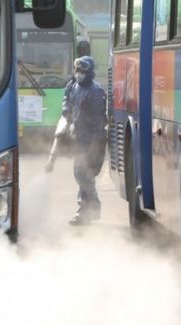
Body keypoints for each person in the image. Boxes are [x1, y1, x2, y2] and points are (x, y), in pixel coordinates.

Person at [61, 56, 107, 226]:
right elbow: (67, 99)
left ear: (90, 73)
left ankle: (85, 211)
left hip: (91, 140)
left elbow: (99, 120)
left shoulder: (94, 91)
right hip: (78, 139)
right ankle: (93, 207)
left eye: (83, 71)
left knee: (84, 175)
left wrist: (96, 143)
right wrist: (66, 110)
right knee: (81, 175)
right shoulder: (73, 85)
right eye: (77, 70)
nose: (79, 74)